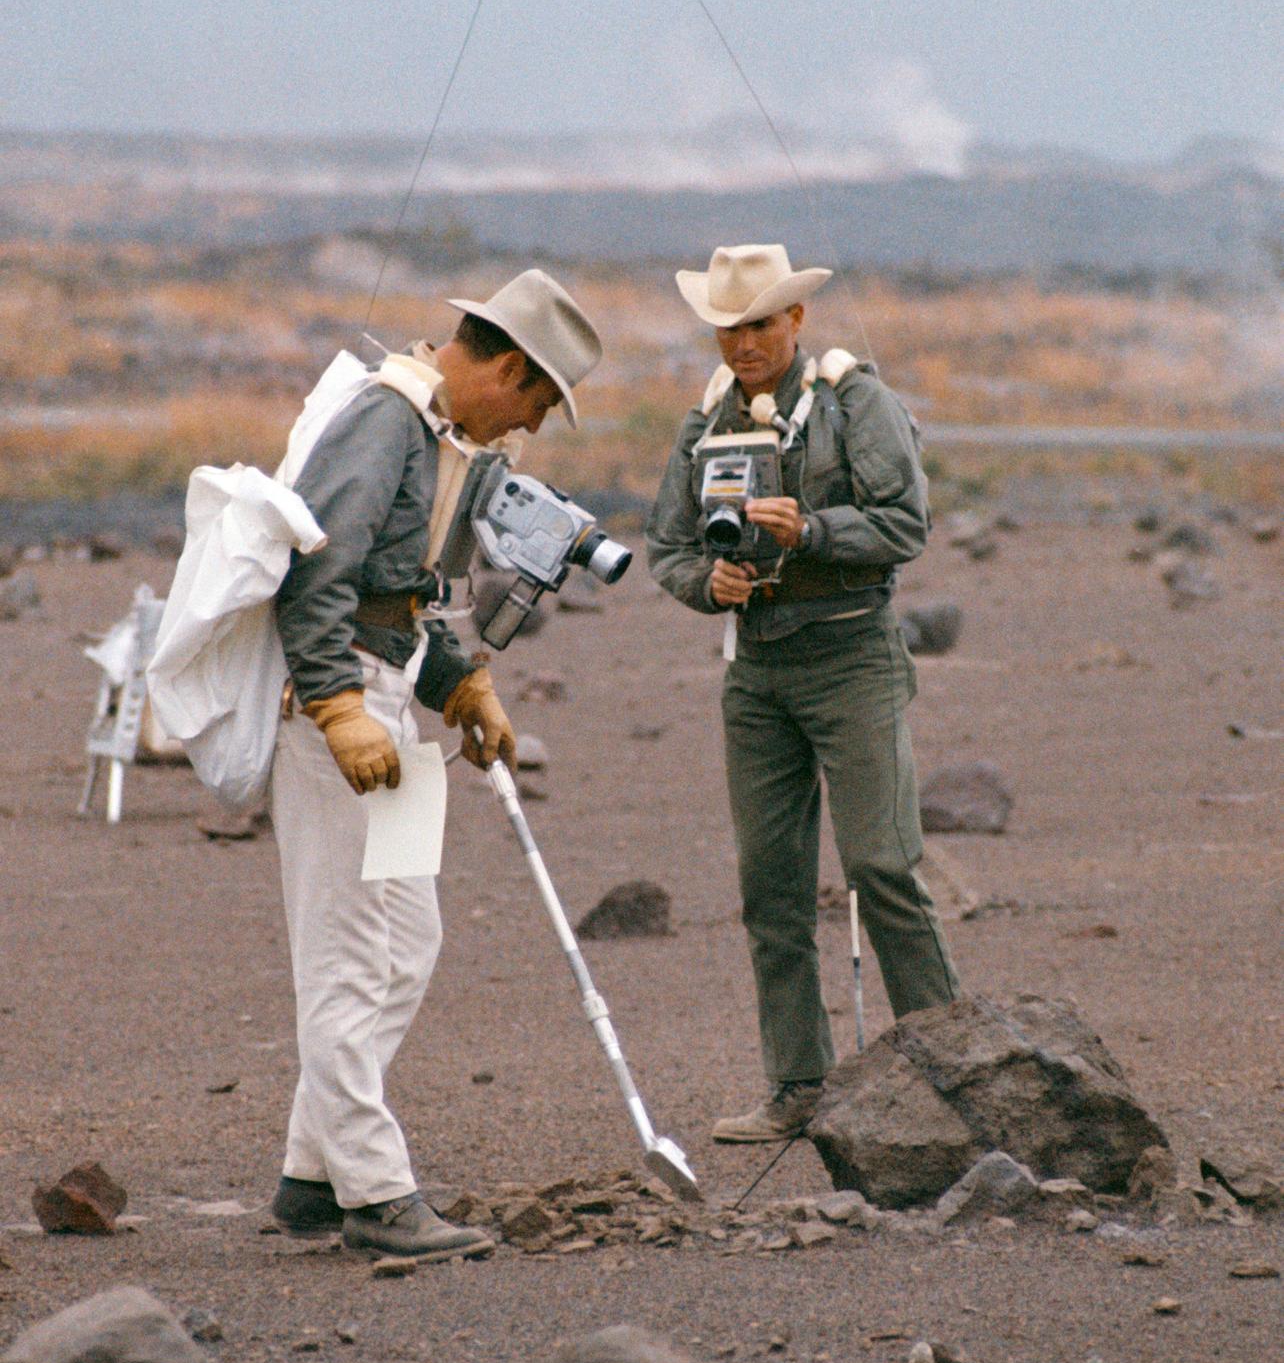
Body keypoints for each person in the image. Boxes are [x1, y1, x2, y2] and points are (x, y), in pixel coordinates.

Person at [270, 269, 602, 1252]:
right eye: (537, 402)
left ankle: (312, 1172)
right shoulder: (385, 421)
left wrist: (459, 682)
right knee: (348, 957)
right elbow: (317, 573)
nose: (530, 429)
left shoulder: (431, 433)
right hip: (342, 711)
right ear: (506, 367)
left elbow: (400, 594)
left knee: (408, 941)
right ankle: (377, 1195)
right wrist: (335, 706)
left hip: (390, 701)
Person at [646, 244, 960, 1142]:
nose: (741, 343)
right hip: (755, 673)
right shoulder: (703, 422)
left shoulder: (856, 402)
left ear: (795, 320)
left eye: (757, 324)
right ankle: (798, 1088)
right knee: (771, 890)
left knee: (882, 867)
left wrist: (814, 529)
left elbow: (907, 524)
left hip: (851, 654)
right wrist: (710, 585)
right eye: (726, 327)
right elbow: (667, 545)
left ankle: (953, 1071)